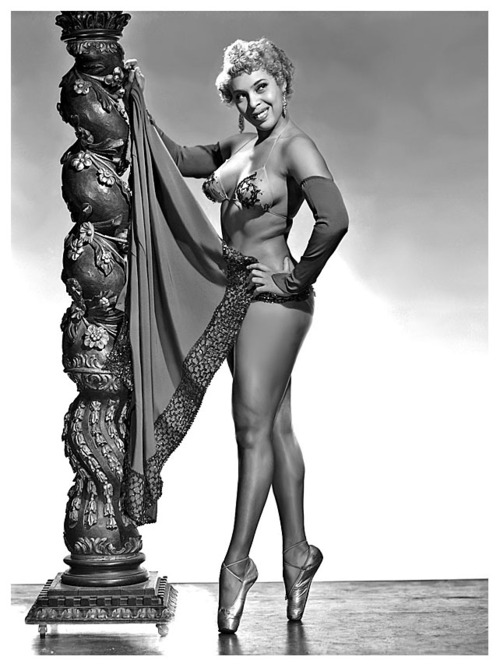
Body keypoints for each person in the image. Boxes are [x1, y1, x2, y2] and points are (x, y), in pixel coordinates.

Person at [126, 37, 348, 634]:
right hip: (236, 301)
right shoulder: (238, 146)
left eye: (263, 88)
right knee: (274, 427)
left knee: (251, 430)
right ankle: (298, 554)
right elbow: (175, 158)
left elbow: (335, 219)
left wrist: (295, 279)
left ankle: (236, 564)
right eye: (243, 95)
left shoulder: (297, 147)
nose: (254, 103)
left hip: (275, 304)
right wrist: (138, 104)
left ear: (282, 84)